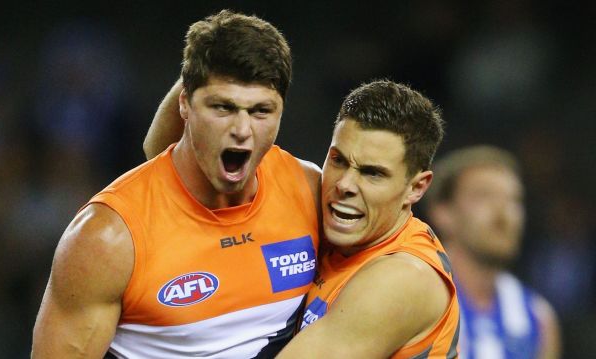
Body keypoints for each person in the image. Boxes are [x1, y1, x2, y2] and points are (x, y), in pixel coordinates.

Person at [32, 10, 322, 358]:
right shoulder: (108, 239)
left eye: (261, 111)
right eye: (223, 107)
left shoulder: (308, 191)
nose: (243, 130)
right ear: (184, 104)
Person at [147, 79, 459, 358]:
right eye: (338, 160)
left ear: (415, 188)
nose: (345, 185)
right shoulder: (324, 206)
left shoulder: (404, 277)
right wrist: (205, 69)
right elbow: (173, 163)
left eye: (372, 173)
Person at [423, 145, 562, 359]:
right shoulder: (416, 297)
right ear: (443, 213)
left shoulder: (537, 316)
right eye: (484, 196)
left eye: (514, 200)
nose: (503, 212)